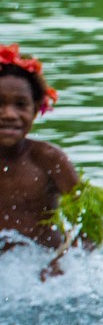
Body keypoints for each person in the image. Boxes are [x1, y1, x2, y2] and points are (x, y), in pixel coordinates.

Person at [0, 44, 80, 252]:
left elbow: (90, 222)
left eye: (20, 105)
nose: (9, 114)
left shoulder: (48, 159)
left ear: (35, 109)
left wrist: (61, 262)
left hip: (42, 267)